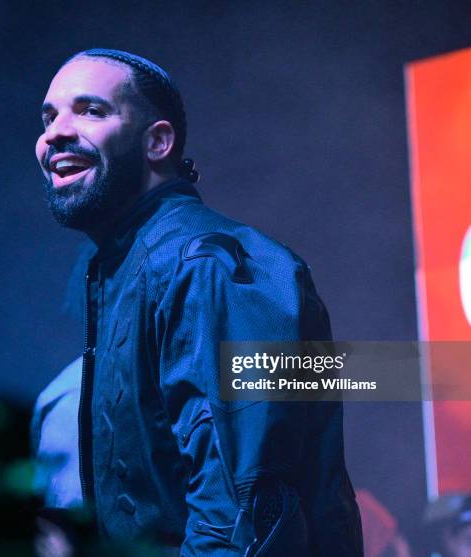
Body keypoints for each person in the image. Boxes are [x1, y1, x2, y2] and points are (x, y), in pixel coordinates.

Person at [32, 48, 363, 556]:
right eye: (48, 116)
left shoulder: (210, 265)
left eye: (91, 110)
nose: (54, 132)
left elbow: (244, 517)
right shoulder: (133, 269)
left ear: (158, 141)